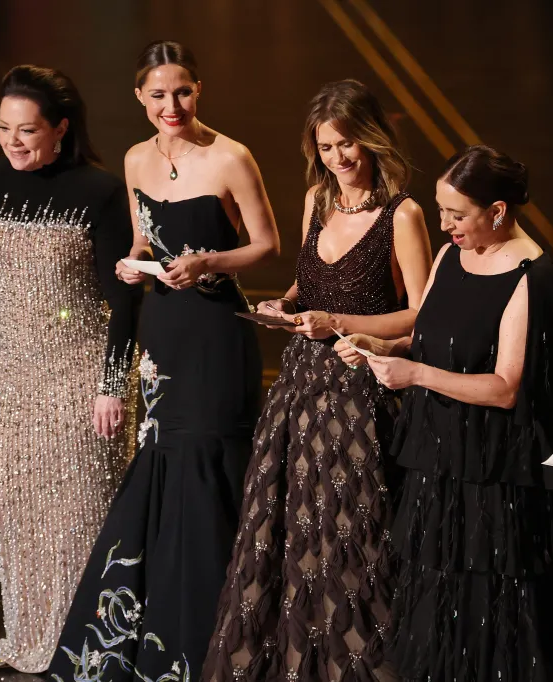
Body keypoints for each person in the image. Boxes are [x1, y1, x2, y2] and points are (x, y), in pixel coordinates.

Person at [47, 40, 280, 682]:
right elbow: (143, 238)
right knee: (163, 461)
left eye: (182, 92)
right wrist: (132, 262)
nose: (171, 106)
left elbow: (266, 243)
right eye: (158, 95)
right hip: (165, 330)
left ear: (198, 90)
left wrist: (208, 262)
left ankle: (222, 634)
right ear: (140, 99)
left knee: (212, 461)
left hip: (216, 329)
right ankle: (149, 633)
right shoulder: (133, 160)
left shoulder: (230, 156)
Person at [203, 79, 432, 682]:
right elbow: (310, 283)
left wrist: (337, 324)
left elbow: (420, 314)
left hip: (363, 391)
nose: (338, 158)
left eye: (348, 144)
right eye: (326, 146)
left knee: (354, 538)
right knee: (290, 533)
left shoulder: (401, 214)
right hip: (301, 390)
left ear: (373, 139)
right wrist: (286, 304)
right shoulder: (315, 199)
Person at [0, 65, 139, 673]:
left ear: (61, 130)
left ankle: (91, 646)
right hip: (5, 383)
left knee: (82, 521)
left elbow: (125, 300)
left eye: (28, 130)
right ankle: (30, 637)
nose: (13, 142)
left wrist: (111, 386)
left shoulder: (99, 192)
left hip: (79, 384)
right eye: (4, 128)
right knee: (18, 527)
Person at [364, 145, 553, 681]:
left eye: (457, 215)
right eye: (441, 211)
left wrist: (415, 375)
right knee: (434, 592)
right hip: (439, 456)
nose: (445, 226)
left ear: (498, 212)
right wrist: (385, 346)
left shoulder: (531, 274)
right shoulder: (449, 258)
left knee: (493, 598)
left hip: (492, 470)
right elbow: (430, 339)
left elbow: (506, 387)